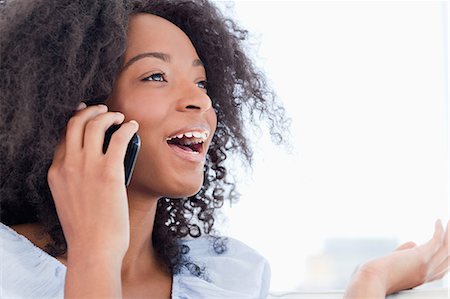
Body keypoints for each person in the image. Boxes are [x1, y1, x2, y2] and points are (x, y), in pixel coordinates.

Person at [0, 0, 448, 298]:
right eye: (155, 76)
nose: (200, 100)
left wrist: (370, 281)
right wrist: (95, 253)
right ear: (73, 107)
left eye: (201, 82)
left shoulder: (229, 275)